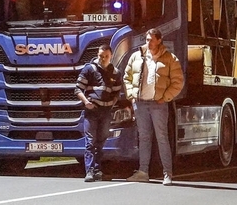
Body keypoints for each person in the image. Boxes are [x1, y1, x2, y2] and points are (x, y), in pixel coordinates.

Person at [123, 28, 184, 185]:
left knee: (162, 137)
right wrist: (131, 95)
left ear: (159, 40)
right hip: (141, 103)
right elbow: (127, 77)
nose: (148, 42)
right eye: (146, 39)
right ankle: (143, 172)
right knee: (144, 138)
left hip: (158, 105)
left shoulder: (170, 58)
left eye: (151, 39)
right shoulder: (137, 56)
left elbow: (178, 82)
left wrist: (165, 98)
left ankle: (167, 174)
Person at [75, 44, 122, 182]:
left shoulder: (116, 73)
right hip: (92, 111)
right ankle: (89, 171)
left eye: (106, 56)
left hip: (106, 112)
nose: (103, 58)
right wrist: (86, 102)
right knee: (90, 141)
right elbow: (77, 89)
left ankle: (97, 169)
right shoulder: (89, 69)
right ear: (97, 54)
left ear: (111, 56)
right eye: (101, 56)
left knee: (101, 142)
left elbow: (116, 93)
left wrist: (111, 104)